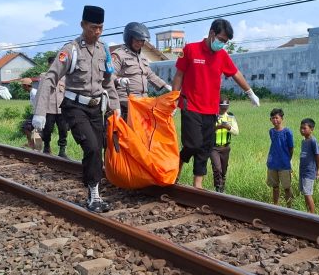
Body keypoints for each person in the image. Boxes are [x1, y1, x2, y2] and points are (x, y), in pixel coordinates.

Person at [32, 5, 120, 212]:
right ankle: (94, 195)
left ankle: (94, 193)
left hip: (96, 107)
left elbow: (108, 82)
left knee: (97, 149)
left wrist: (115, 107)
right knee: (90, 147)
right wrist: (40, 111)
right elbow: (50, 78)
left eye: (100, 28)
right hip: (74, 107)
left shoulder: (104, 50)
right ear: (82, 25)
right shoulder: (70, 50)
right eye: (92, 27)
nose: (97, 32)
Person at [171, 18, 260, 189]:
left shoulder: (222, 56)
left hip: (211, 109)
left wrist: (250, 92)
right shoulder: (190, 49)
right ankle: (178, 165)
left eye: (225, 42)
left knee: (205, 146)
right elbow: (179, 75)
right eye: (221, 40)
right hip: (190, 105)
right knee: (193, 144)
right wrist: (173, 100)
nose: (222, 44)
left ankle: (198, 184)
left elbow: (235, 74)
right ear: (212, 33)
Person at [111, 22, 171, 117]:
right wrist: (118, 80)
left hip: (143, 102)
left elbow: (150, 74)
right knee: (127, 131)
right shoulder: (118, 55)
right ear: (129, 38)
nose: (140, 43)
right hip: (126, 103)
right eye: (137, 40)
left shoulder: (142, 57)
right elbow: (110, 74)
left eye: (142, 41)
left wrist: (164, 85)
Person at [24, 55, 69, 158]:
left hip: (62, 109)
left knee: (63, 130)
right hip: (48, 109)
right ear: (49, 65)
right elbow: (40, 94)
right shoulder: (44, 76)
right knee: (47, 130)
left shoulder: (64, 76)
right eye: (52, 64)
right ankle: (47, 147)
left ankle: (62, 150)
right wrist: (38, 112)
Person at [210, 95, 239, 193]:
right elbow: (206, 131)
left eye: (225, 108)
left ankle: (222, 190)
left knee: (223, 171)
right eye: (222, 108)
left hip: (226, 147)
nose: (223, 110)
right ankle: (218, 189)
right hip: (214, 147)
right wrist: (218, 127)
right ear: (217, 106)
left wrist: (228, 128)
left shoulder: (230, 116)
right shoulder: (212, 115)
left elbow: (236, 132)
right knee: (217, 169)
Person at [266, 108, 294, 207]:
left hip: (284, 164)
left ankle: (289, 207)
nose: (275, 120)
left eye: (277, 118)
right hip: (272, 163)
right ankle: (276, 206)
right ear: (270, 120)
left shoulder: (287, 132)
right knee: (275, 186)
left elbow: (291, 148)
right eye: (273, 118)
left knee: (287, 187)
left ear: (282, 118)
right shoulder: (271, 131)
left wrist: (287, 159)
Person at [298, 118, 319, 213]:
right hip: (303, 171)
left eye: (304, 128)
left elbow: (318, 156)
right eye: (301, 128)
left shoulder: (313, 141)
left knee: (308, 193)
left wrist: (318, 170)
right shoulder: (304, 141)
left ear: (311, 129)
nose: (302, 130)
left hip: (309, 171)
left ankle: (312, 214)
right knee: (305, 193)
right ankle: (308, 213)